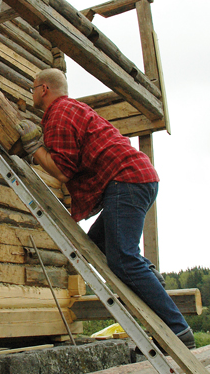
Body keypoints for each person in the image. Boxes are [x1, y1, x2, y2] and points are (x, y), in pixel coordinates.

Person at [16, 68, 195, 349]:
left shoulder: (59, 114)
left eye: (33, 87)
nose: (32, 92)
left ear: (44, 89)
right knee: (99, 244)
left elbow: (62, 171)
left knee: (123, 257)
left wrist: (34, 147)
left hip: (127, 179)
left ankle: (178, 330)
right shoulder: (72, 109)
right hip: (135, 177)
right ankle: (150, 275)